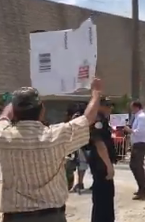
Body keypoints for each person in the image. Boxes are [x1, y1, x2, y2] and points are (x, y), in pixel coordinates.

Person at [0, 78, 102, 222]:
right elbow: (88, 118)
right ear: (42, 110)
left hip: (16, 217)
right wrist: (96, 93)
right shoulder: (57, 135)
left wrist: (14, 102)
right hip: (52, 216)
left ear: (15, 112)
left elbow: (4, 117)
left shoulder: (4, 136)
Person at [88, 96, 117, 222]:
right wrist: (109, 166)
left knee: (106, 197)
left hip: (101, 163)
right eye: (106, 105)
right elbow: (100, 144)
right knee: (103, 198)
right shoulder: (97, 121)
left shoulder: (102, 120)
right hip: (101, 165)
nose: (109, 108)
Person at [124, 101, 145, 199]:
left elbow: (140, 131)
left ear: (136, 107)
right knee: (135, 166)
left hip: (141, 144)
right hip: (138, 144)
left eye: (132, 108)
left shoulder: (141, 117)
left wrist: (129, 130)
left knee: (137, 166)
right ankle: (141, 187)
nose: (132, 110)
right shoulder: (138, 117)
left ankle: (142, 190)